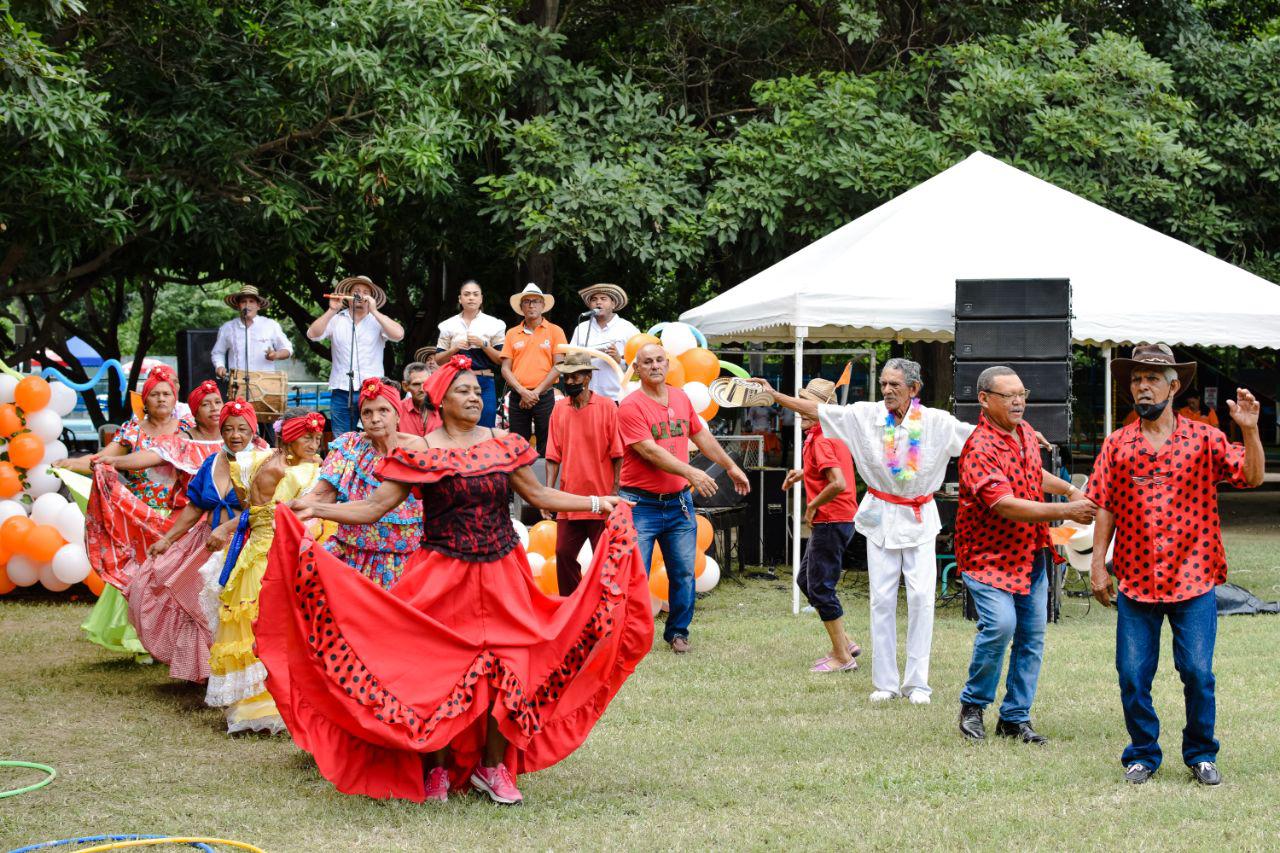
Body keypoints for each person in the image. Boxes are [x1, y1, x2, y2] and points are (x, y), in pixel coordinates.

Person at [257, 355, 653, 805]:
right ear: (441, 399)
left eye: (477, 391)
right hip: (442, 575)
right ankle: (437, 772)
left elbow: (539, 494)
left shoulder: (506, 443)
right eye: (463, 390)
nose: (473, 396)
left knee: (509, 670)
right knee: (439, 672)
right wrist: (315, 509)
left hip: (504, 572)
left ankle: (492, 768)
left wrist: (602, 502)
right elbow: (372, 508)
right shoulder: (419, 450)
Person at [1086, 345, 1264, 786]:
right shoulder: (1118, 443)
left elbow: (1252, 477)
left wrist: (1251, 432)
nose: (1141, 386)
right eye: (1135, 379)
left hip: (1194, 577)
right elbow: (1104, 504)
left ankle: (1201, 753)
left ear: (1173, 385)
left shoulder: (1204, 439)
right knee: (1132, 675)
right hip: (1136, 580)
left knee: (1198, 674)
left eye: (1151, 378)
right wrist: (1097, 565)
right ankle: (1143, 754)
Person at [757, 358, 973, 705]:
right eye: (884, 383)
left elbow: (980, 441)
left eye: (895, 385)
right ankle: (886, 683)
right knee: (882, 599)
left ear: (914, 390)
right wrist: (774, 395)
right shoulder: (865, 416)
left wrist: (1020, 434)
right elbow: (817, 409)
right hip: (880, 515)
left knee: (920, 599)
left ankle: (917, 684)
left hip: (919, 517)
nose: (886, 390)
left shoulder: (937, 422)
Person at [955, 366, 1096, 743]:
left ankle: (1015, 717)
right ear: (984, 400)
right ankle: (973, 704)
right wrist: (1068, 511)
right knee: (1000, 627)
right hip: (987, 557)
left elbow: (1033, 475)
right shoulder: (979, 448)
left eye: (1022, 394)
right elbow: (1006, 505)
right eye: (1008, 395)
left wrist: (1068, 489)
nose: (1018, 401)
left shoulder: (1026, 435)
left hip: (1030, 553)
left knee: (1032, 637)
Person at [618, 344, 750, 654]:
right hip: (640, 504)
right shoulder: (630, 406)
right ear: (637, 369)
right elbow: (650, 451)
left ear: (668, 363)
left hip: (678, 502)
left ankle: (678, 633)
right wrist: (692, 473)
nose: (654, 366)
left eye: (659, 360)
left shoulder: (680, 397)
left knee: (683, 571)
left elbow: (701, 436)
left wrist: (730, 467)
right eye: (647, 362)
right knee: (635, 574)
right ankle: (629, 636)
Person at [56, 367, 196, 657]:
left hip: (177, 515)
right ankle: (138, 638)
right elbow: (102, 460)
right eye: (155, 394)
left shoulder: (188, 429)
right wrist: (69, 463)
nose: (161, 399)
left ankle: (169, 638)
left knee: (170, 576)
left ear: (175, 398)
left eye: (166, 394)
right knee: (137, 575)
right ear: (145, 400)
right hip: (137, 515)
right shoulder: (132, 430)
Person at [127, 399, 268, 683]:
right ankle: (206, 671)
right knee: (175, 593)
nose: (235, 435)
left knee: (238, 609)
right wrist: (168, 539)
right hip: (208, 542)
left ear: (253, 430)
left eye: (242, 428)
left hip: (246, 547)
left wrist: (227, 529)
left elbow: (262, 510)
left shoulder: (263, 462)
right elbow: (194, 507)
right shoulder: (213, 461)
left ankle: (245, 673)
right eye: (228, 429)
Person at [204, 408, 326, 734]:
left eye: (317, 436)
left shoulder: (284, 464)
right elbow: (282, 516)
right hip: (269, 554)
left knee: (279, 626)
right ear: (289, 437)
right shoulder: (278, 471)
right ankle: (262, 706)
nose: (315, 442)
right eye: (307, 437)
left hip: (275, 550)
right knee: (264, 626)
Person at [294, 378, 425, 590]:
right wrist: (290, 512)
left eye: (383, 410)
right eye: (367, 413)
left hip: (404, 562)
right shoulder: (349, 445)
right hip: (352, 557)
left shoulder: (417, 448)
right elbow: (321, 495)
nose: (375, 419)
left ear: (397, 413)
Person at [781, 378, 862, 673]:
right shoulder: (825, 433)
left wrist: (812, 506)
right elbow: (831, 469)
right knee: (807, 582)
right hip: (839, 519)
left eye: (808, 404)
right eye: (801, 402)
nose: (801, 409)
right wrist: (804, 473)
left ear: (824, 409)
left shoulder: (822, 438)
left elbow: (838, 482)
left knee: (820, 587)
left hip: (832, 519)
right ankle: (846, 642)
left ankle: (842, 657)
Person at [543, 351, 624, 594]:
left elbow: (618, 453)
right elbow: (552, 455)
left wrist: (615, 491)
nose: (569, 382)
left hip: (601, 498)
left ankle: (604, 606)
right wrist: (547, 494)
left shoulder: (608, 407)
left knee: (605, 559)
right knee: (563, 554)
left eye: (575, 377)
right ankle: (573, 606)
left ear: (588, 377)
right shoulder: (559, 410)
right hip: (570, 499)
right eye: (566, 377)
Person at [307, 275, 405, 438]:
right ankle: (344, 464)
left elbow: (399, 334)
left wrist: (374, 311)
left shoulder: (378, 320)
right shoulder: (337, 319)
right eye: (356, 291)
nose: (361, 295)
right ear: (349, 296)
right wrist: (332, 310)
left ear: (371, 298)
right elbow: (312, 334)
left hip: (372, 390)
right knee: (342, 438)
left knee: (373, 436)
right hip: (341, 389)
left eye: (366, 292)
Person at [500, 283, 566, 455]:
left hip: (544, 396)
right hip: (518, 396)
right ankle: (519, 483)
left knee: (548, 445)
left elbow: (559, 365)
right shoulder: (512, 333)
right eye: (527, 301)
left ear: (543, 305)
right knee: (517, 446)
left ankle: (547, 483)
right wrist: (523, 391)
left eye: (536, 301)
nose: (531, 305)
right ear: (521, 307)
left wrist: (535, 392)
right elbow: (505, 369)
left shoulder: (555, 331)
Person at [433, 280, 506, 427]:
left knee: (486, 424)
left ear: (481, 298)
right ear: (460, 299)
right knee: (458, 424)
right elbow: (438, 359)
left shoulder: (495, 323)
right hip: (457, 382)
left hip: (484, 380)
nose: (471, 298)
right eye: (466, 294)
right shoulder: (447, 325)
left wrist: (484, 345)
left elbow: (500, 359)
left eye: (475, 294)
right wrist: (454, 349)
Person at [568, 283, 640, 401]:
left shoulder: (628, 328)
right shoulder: (582, 328)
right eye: (594, 299)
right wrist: (586, 356)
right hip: (586, 397)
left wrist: (619, 360)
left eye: (603, 299)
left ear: (613, 304)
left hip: (617, 397)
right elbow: (570, 362)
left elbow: (641, 365)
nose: (598, 303)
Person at [211, 284, 292, 380]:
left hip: (265, 383)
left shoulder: (271, 325)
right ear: (238, 306)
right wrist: (219, 366)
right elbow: (218, 352)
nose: (247, 305)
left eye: (251, 301)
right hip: (237, 383)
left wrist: (276, 355)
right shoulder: (227, 327)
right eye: (243, 302)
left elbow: (287, 349)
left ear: (258, 306)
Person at [399, 358, 440, 438]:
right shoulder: (397, 411)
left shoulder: (444, 409)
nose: (422, 389)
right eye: (416, 384)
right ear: (405, 386)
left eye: (426, 383)